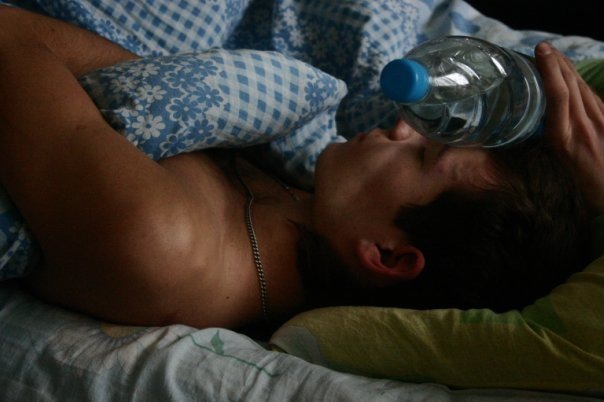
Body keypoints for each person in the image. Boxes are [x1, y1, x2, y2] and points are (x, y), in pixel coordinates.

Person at [0, 6, 601, 331]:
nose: (402, 126)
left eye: (422, 154)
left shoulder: (165, 242)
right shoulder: (295, 198)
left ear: (387, 255)